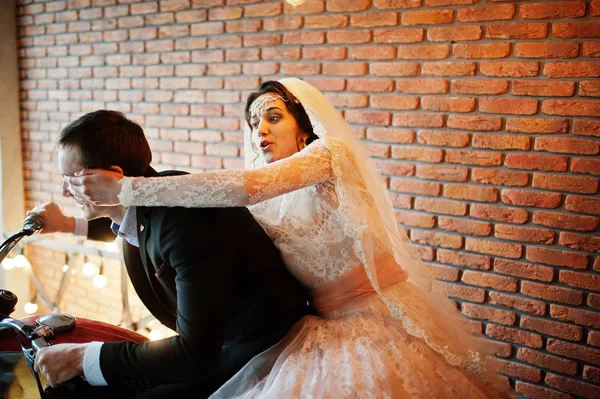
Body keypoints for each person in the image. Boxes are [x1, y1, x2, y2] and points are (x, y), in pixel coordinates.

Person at [66, 79, 515, 398]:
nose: (259, 130)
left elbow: (244, 186)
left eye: (272, 117)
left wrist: (127, 187)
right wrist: (72, 224)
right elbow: (205, 214)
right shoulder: (265, 197)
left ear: (303, 125)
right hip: (311, 328)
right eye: (252, 123)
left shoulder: (328, 156)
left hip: (374, 320)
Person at [29, 110, 313, 398]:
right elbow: (128, 226)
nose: (65, 191)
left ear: (112, 178)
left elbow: (196, 356)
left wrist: (82, 357)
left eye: (71, 179)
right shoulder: (152, 195)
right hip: (208, 347)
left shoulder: (185, 224)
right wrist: (67, 225)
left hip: (252, 351)